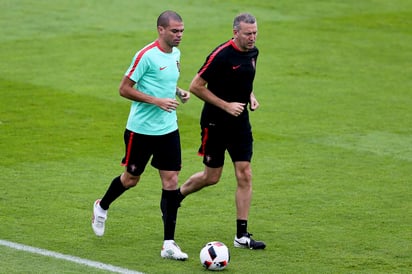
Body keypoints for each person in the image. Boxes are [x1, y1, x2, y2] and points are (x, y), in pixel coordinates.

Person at [91, 10, 190, 261]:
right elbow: (124, 89)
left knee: (171, 181)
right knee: (131, 178)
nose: (179, 35)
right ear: (160, 30)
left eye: (181, 31)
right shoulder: (145, 56)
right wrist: (155, 101)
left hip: (168, 128)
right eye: (174, 31)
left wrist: (178, 91)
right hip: (141, 130)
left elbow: (163, 79)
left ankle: (168, 243)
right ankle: (102, 206)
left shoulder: (176, 53)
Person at [177, 13, 266, 250]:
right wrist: (226, 105)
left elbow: (243, 79)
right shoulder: (221, 55)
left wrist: (250, 96)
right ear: (235, 32)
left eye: (255, 32)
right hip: (215, 123)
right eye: (248, 33)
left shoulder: (253, 52)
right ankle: (176, 197)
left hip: (240, 122)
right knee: (211, 177)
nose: (253, 37)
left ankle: (242, 235)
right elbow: (196, 86)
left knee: (245, 173)